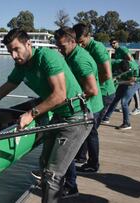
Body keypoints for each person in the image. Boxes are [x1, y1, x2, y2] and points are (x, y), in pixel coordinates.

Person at [0, 28, 93, 203]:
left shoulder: (47, 57)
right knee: (44, 164)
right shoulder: (21, 67)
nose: (14, 56)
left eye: (17, 49)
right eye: (10, 52)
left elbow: (60, 95)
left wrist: (31, 114)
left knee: (52, 175)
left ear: (28, 44)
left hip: (77, 118)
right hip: (59, 117)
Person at [54, 27, 103, 196]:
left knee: (67, 149)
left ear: (73, 42)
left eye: (62, 47)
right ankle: (67, 181)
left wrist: (67, 100)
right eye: (57, 47)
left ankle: (70, 186)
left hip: (88, 108)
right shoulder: (71, 55)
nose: (60, 50)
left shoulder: (80, 60)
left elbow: (92, 90)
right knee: (71, 148)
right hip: (84, 107)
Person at [72, 23, 116, 172]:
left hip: (104, 93)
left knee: (91, 131)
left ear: (88, 36)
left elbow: (107, 74)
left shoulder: (97, 48)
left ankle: (93, 164)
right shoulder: (83, 49)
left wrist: (92, 87)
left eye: (81, 42)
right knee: (87, 128)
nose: (80, 45)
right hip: (95, 93)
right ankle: (82, 156)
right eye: (77, 43)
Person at [102, 60, 140, 130]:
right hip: (122, 80)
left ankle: (127, 123)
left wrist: (118, 82)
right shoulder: (113, 63)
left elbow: (131, 82)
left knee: (124, 102)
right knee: (115, 99)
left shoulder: (134, 68)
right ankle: (106, 118)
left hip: (133, 83)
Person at [110, 38, 140, 115]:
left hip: (131, 70)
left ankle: (138, 108)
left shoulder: (122, 48)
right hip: (125, 70)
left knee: (134, 89)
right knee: (127, 88)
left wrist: (131, 70)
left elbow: (130, 59)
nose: (113, 45)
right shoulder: (117, 51)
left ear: (118, 43)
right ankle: (125, 106)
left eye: (114, 43)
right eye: (111, 44)